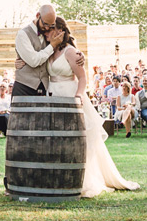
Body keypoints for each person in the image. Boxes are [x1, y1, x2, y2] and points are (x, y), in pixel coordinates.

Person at [45, 17, 138, 197]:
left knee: (80, 138)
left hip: (70, 94)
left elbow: (82, 78)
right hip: (53, 94)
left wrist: (79, 95)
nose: (47, 33)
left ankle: (85, 179)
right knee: (59, 138)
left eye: (50, 30)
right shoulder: (49, 51)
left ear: (59, 31)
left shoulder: (71, 52)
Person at [13, 4, 64, 96]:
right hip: (24, 88)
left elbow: (65, 41)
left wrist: (77, 55)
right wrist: (52, 45)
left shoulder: (48, 34)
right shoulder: (22, 34)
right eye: (45, 24)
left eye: (51, 25)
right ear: (37, 16)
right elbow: (33, 61)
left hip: (44, 88)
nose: (47, 28)